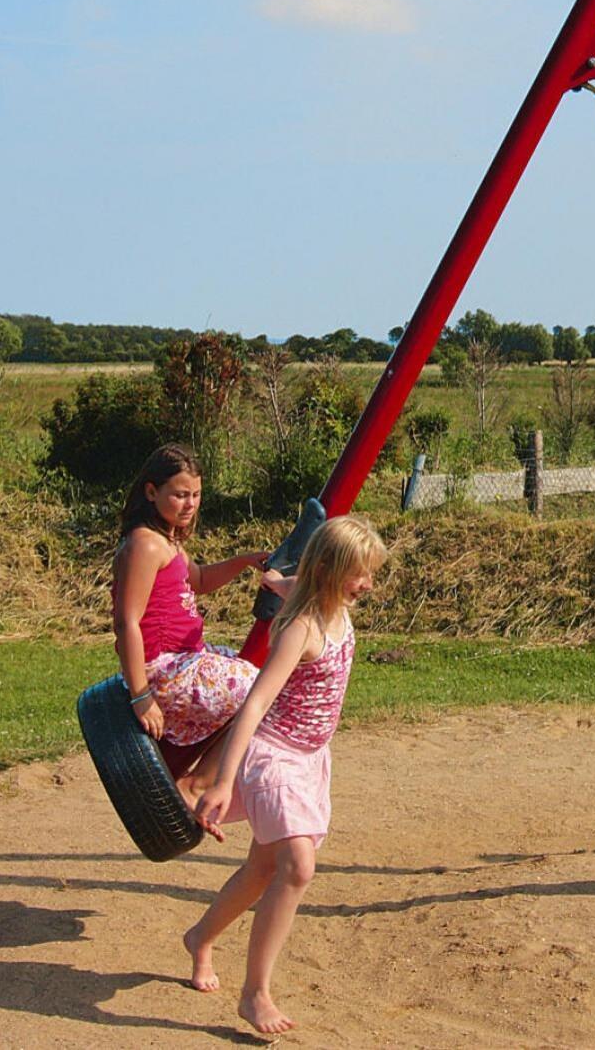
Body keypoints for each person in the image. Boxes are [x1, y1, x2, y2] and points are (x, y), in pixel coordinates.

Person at [187, 514, 385, 1037]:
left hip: (310, 759)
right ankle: (255, 993)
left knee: (261, 870)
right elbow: (254, 706)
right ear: (329, 570)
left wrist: (273, 579)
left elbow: (290, 582)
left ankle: (200, 938)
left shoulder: (326, 599)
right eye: (360, 573)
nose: (368, 584)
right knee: (297, 867)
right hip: (274, 757)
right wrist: (223, 782)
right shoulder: (302, 628)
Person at [111, 444, 280, 805]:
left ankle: (208, 774)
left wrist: (245, 561)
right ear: (152, 492)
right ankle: (197, 785)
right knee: (263, 691)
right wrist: (141, 696)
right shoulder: (145, 545)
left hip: (185, 660)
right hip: (163, 671)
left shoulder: (167, 538)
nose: (190, 504)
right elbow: (127, 622)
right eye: (180, 495)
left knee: (265, 681)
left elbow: (199, 580)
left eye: (196, 494)